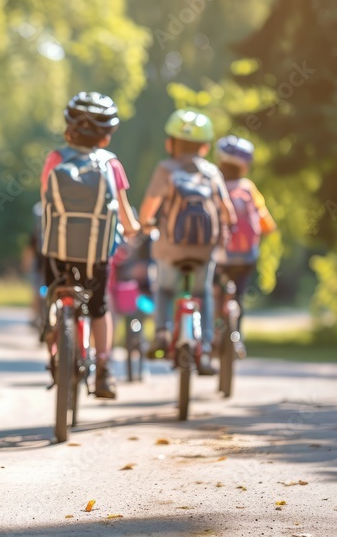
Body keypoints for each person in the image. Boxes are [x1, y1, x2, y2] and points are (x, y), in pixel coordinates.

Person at [40, 92, 139, 399]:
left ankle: (56, 353)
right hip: (96, 255)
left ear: (68, 127)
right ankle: (105, 371)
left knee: (54, 298)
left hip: (56, 251)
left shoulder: (55, 158)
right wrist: (133, 229)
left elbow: (45, 199)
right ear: (107, 136)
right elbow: (124, 212)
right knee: (99, 307)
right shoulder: (111, 164)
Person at [138, 108, 235, 376]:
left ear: (170, 143)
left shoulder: (165, 169)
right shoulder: (212, 172)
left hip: (170, 247)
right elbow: (227, 210)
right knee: (203, 292)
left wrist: (145, 225)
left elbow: (149, 207)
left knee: (165, 289)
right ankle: (204, 348)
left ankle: (161, 333)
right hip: (205, 249)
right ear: (205, 147)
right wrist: (226, 229)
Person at [214, 134, 276, 335]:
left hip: (219, 255)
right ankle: (236, 337)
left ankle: (213, 332)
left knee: (213, 291)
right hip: (246, 256)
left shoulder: (213, 185)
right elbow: (266, 224)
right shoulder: (248, 188)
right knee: (238, 295)